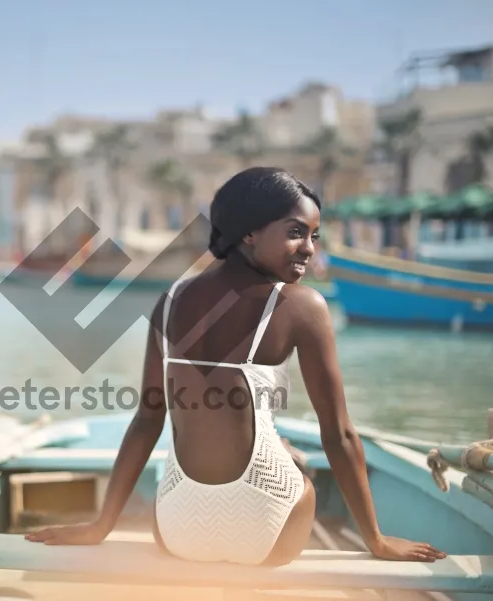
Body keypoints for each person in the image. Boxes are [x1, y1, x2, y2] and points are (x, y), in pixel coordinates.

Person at [25, 167, 446, 566]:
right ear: (249, 232)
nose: (310, 249)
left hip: (177, 531)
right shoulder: (302, 306)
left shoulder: (168, 303)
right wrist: (376, 539)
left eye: (315, 236)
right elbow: (338, 434)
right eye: (296, 233)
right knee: (298, 470)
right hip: (269, 534)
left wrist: (102, 526)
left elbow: (146, 422)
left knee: (283, 450)